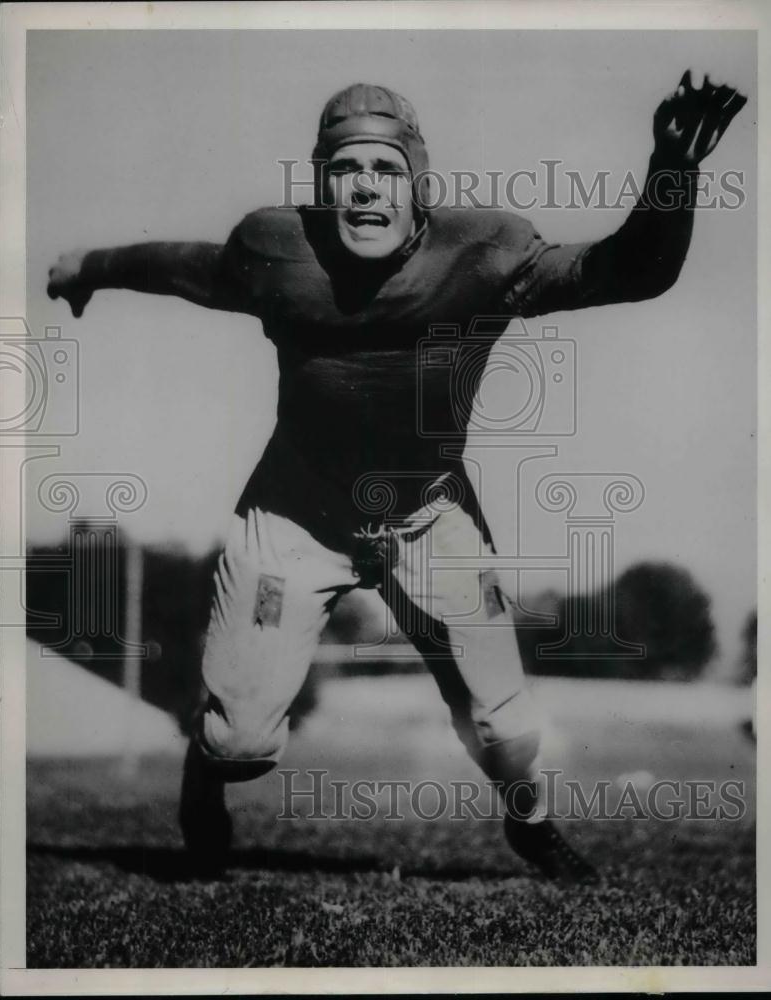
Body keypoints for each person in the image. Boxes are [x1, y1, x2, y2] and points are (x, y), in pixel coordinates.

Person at [48, 72, 746, 882]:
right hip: (297, 517)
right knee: (240, 739)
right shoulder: (279, 250)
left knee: (508, 733)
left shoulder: (482, 254)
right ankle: (204, 786)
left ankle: (528, 824)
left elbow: (631, 272)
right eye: (346, 169)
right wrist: (91, 265)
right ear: (321, 182)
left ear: (419, 184)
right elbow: (183, 266)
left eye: (385, 169)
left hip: (428, 516)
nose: (365, 187)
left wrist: (673, 173)